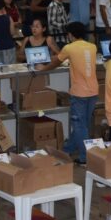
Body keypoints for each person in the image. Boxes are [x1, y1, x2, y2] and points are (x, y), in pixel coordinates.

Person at [45, 22, 98, 163]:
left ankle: (85, 157)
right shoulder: (93, 47)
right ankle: (68, 149)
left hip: (79, 92)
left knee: (79, 125)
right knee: (83, 124)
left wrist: (42, 69)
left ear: (71, 34)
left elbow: (56, 61)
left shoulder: (69, 47)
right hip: (93, 91)